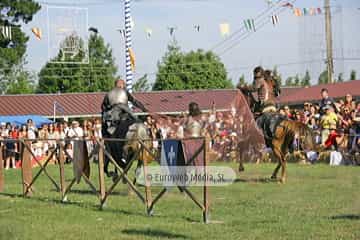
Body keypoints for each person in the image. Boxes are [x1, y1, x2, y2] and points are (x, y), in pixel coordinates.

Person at [101, 79, 148, 176]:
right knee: (139, 123)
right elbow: (135, 102)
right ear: (122, 85)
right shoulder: (125, 92)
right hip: (124, 117)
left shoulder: (108, 94)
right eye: (123, 85)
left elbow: (103, 108)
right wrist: (144, 109)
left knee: (110, 133)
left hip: (116, 120)